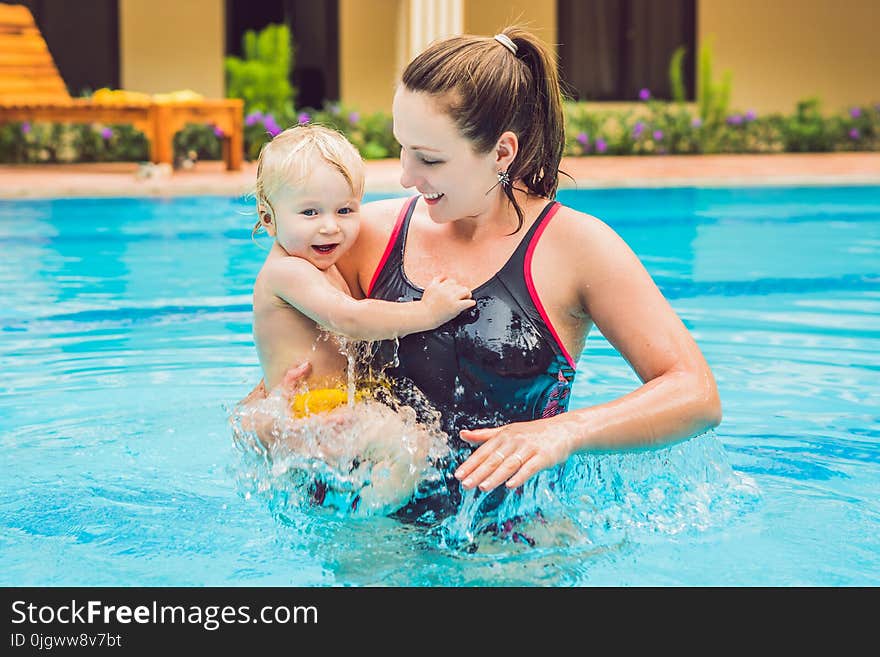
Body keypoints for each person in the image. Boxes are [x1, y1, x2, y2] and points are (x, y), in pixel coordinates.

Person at [246, 27, 722, 524]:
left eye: (429, 158)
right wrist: (269, 425)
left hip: (513, 540)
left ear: (501, 153)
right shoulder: (362, 236)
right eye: (402, 149)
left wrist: (563, 432)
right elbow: (284, 380)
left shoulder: (577, 249)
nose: (406, 176)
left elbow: (695, 394)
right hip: (375, 540)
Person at [238, 123, 474, 515]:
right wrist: (427, 312)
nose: (330, 225)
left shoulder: (318, 265)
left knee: (418, 445)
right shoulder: (287, 272)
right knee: (413, 451)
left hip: (331, 408)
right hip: (314, 412)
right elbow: (349, 317)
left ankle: (363, 510)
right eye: (310, 212)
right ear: (268, 218)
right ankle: (364, 520)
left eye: (345, 209)